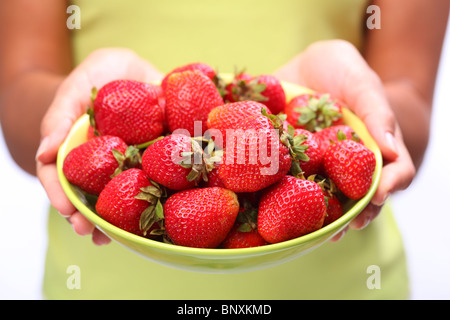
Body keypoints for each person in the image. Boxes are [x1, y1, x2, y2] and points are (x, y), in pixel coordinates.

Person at [0, 0, 447, 299]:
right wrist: (83, 109)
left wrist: (370, 119)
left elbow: (408, 105)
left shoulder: (265, 151)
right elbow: (18, 95)